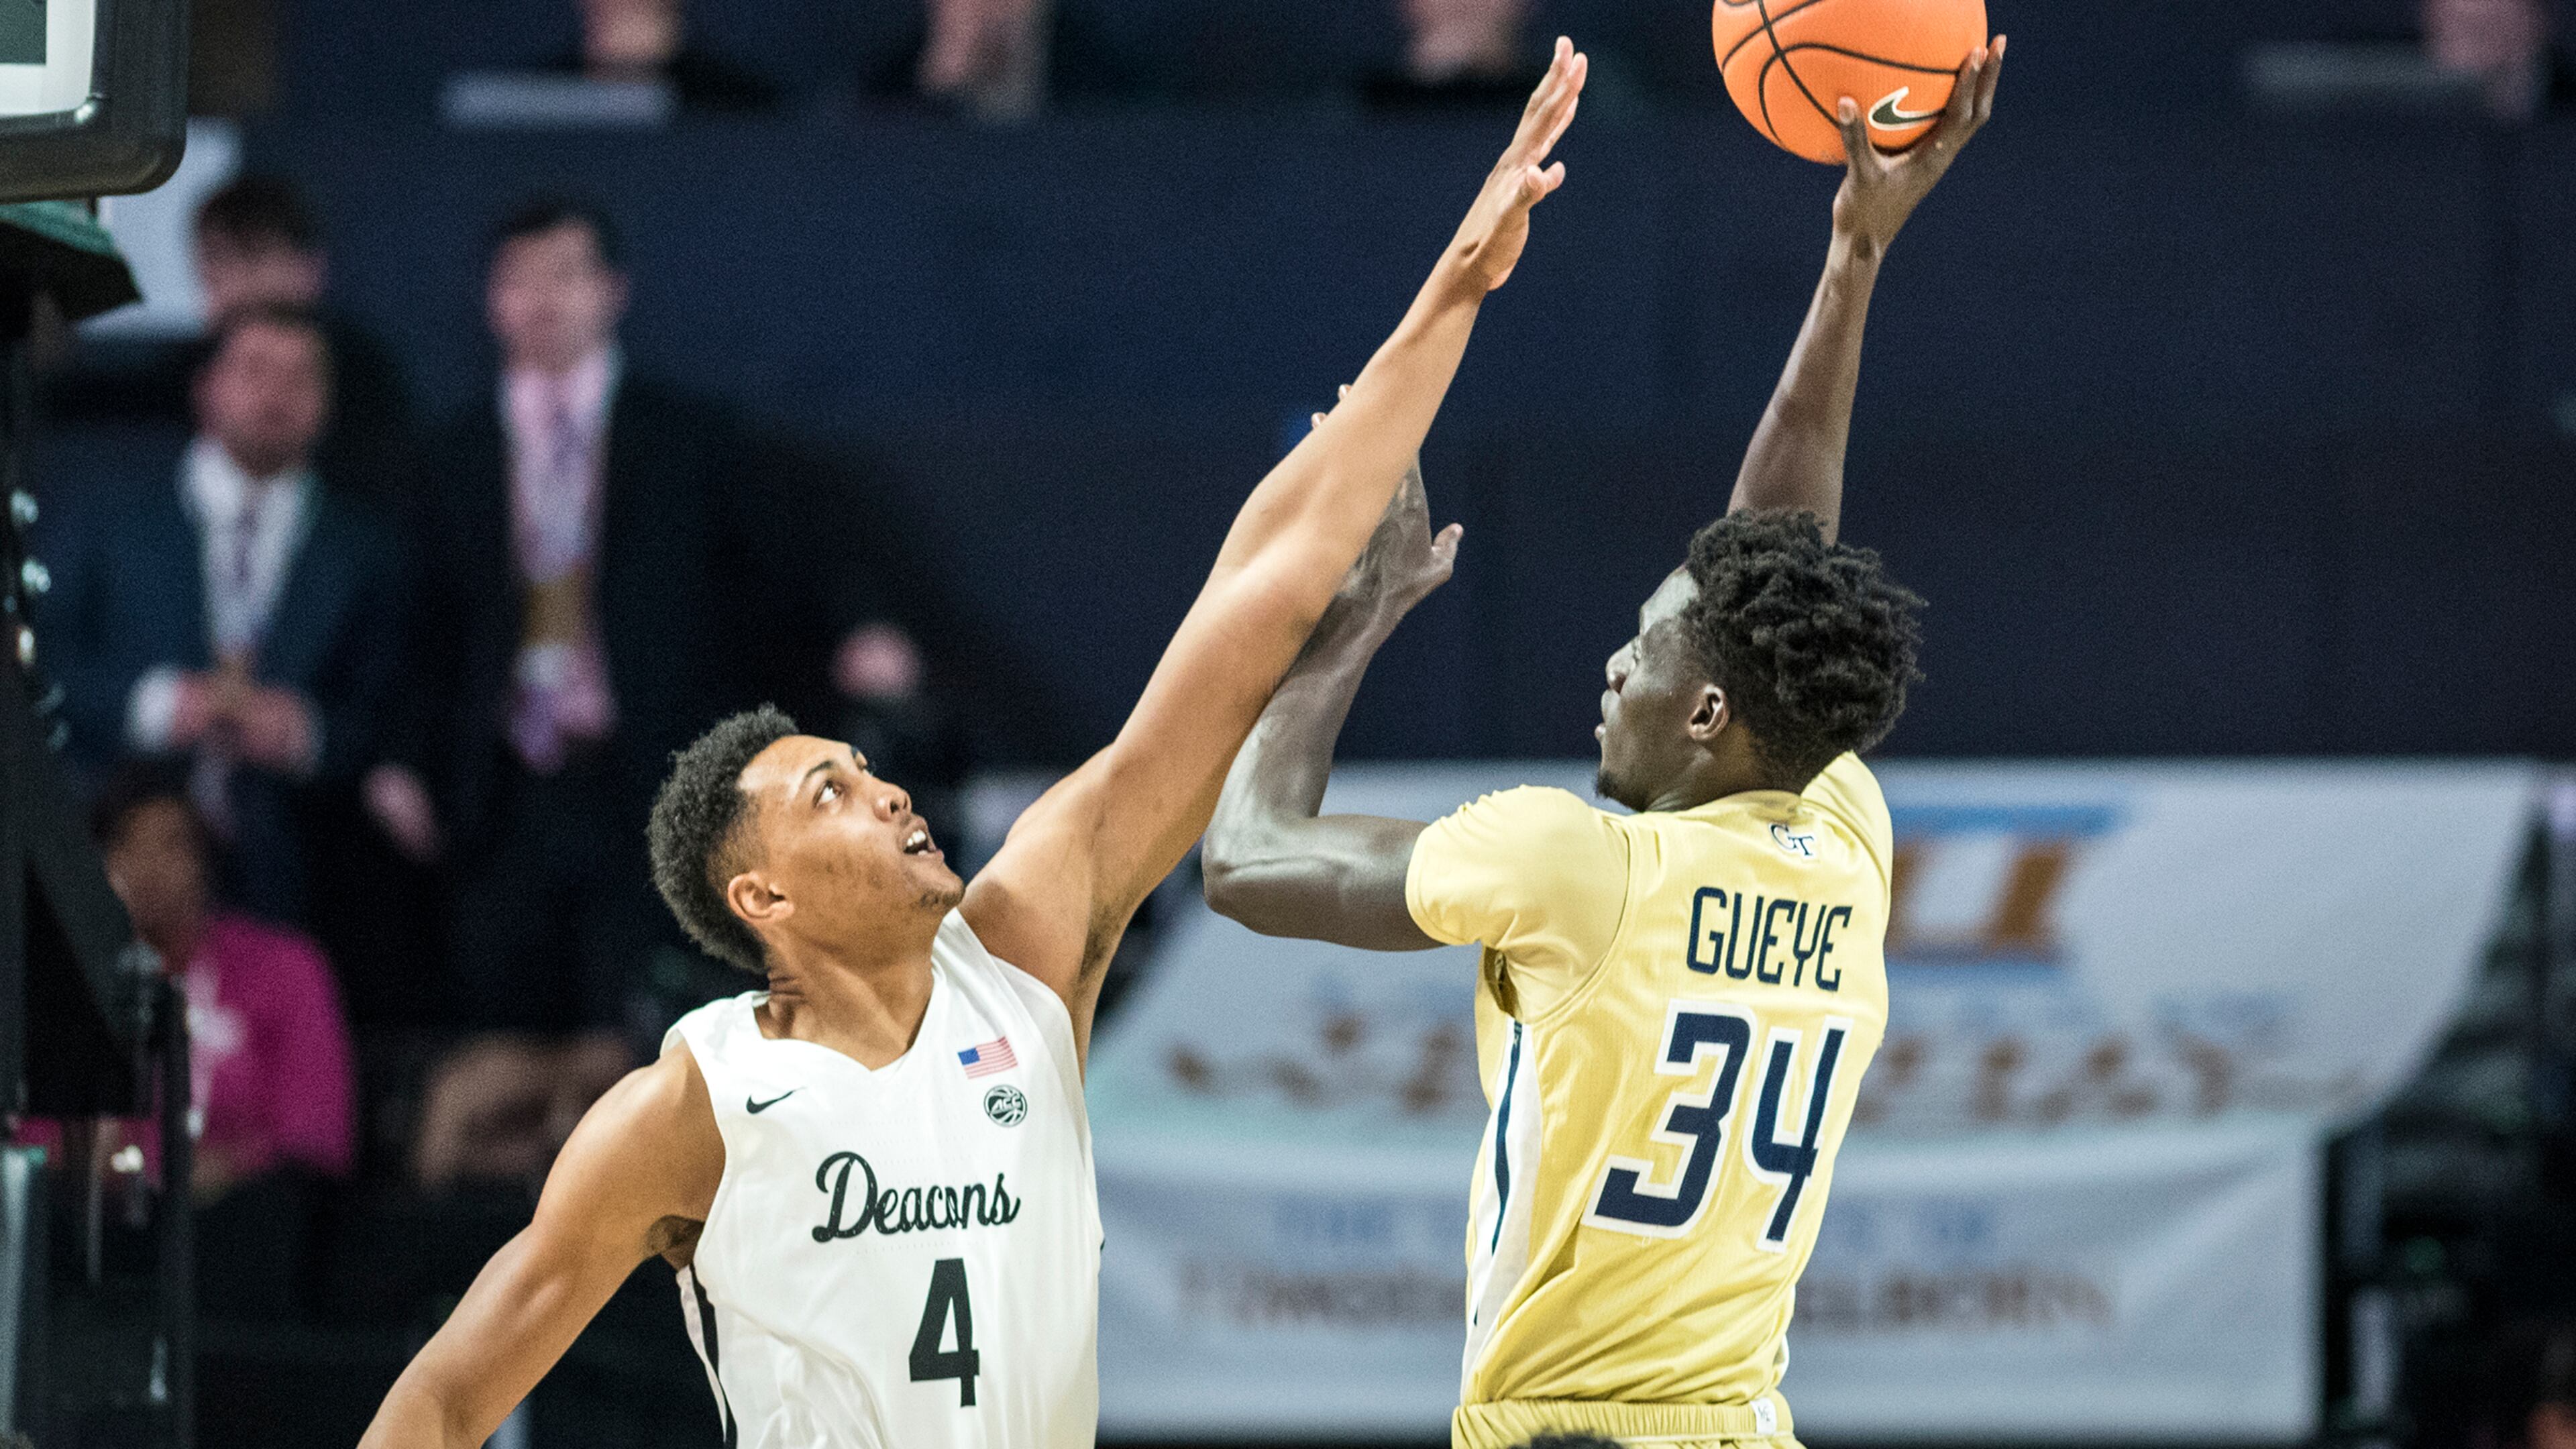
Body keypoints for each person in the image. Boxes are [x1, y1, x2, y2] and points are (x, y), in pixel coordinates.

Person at [356, 40, 1590, 1448]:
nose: (885, 796)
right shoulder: (696, 1099)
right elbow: (451, 1393)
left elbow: (1250, 599)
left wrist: (1453, 291)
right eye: (830, 792)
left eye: (869, 773)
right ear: (759, 896)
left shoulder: (1024, 952)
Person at [1197, 44, 2002, 1449]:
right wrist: (1852, 258)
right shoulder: (1846, 845)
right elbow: (1772, 564)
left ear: (1707, 717)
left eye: (1646, 649)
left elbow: (1246, 859)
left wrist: (1346, 631)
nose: (1615, 664)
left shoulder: (1580, 867)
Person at [378, 199, 909, 1039]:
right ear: (491, 300)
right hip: (501, 788)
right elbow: (416, 623)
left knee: (644, 1027)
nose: (542, 299)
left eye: (564, 274)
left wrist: (861, 631)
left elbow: (788, 561)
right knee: (503, 1027)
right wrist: (402, 756)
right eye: (518, 278)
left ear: (612, 290)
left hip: (649, 778)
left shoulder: (688, 441)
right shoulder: (451, 454)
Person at [34, 306, 409, 927]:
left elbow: (398, 708)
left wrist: (305, 735)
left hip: (297, 877)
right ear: (206, 388)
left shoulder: (367, 549)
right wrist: (151, 706)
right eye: (255, 371)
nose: (275, 396)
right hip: (116, 854)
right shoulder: (108, 522)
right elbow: (43, 664)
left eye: (299, 378)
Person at [1, 770, 358, 1318]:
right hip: (95, 1243)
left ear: (207, 861)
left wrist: (228, 1166)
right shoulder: (58, 985)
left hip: (238, 1240)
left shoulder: (285, 969)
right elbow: (28, 1142)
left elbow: (318, 1135)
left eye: (171, 844)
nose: (149, 870)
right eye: (125, 845)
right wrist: (86, 1162)